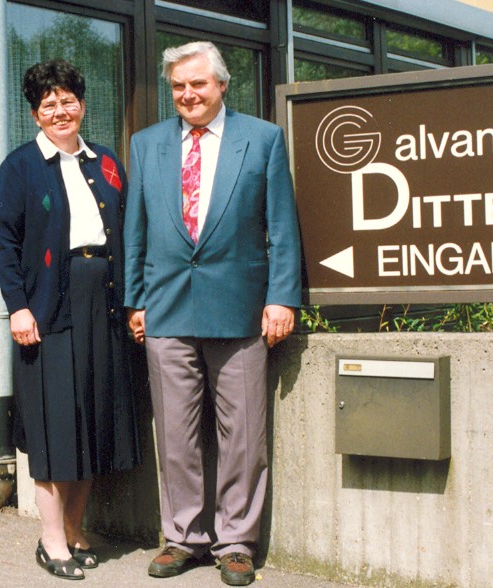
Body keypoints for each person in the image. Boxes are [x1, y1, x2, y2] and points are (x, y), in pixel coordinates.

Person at [124, 41, 301, 586]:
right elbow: (137, 228)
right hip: (168, 308)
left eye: (198, 84)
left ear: (222, 85)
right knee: (174, 434)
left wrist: (282, 296)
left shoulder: (262, 139)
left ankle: (236, 542)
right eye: (178, 86)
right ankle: (181, 538)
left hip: (241, 309)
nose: (188, 95)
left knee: (243, 434)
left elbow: (283, 226)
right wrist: (136, 299)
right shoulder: (146, 144)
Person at [0, 59, 140, 581]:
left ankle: (75, 529)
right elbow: (2, 243)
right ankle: (51, 540)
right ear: (35, 113)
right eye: (48, 104)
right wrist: (18, 306)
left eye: (68, 100)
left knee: (92, 418)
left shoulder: (107, 162)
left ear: (82, 103)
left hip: (106, 304)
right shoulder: (20, 166)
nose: (60, 111)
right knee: (55, 426)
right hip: (48, 307)